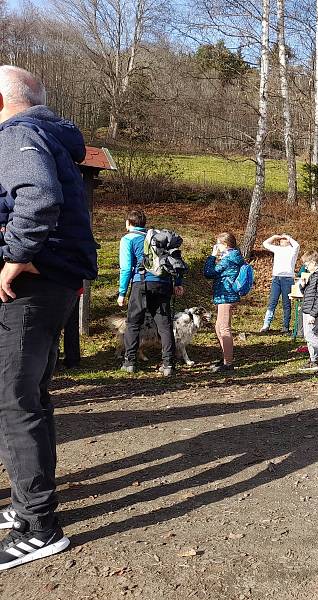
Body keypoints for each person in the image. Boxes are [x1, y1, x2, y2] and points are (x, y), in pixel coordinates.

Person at [0, 65, 97, 568]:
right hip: (53, 283)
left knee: (14, 402)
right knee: (28, 398)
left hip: (31, 285)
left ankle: (40, 526)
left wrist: (14, 254)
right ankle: (25, 508)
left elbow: (37, 198)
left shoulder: (18, 133)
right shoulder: (51, 134)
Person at [118, 209, 184, 376]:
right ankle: (169, 364)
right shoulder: (157, 238)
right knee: (164, 324)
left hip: (141, 283)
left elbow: (126, 268)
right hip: (163, 283)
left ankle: (130, 362)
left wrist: (122, 292)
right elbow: (174, 260)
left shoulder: (128, 239)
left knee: (133, 323)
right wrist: (178, 283)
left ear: (128, 223)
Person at [203, 232, 246, 373]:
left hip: (227, 295)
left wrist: (212, 256)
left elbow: (209, 272)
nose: (216, 246)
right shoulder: (233, 256)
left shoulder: (229, 259)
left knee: (224, 328)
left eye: (218, 244)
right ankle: (225, 357)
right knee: (218, 327)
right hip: (224, 294)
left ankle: (228, 363)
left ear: (225, 245)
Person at [260, 233, 300, 334]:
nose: (282, 240)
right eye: (281, 239)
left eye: (284, 239)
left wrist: (288, 237)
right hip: (276, 279)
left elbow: (297, 245)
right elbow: (265, 243)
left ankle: (285, 326)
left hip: (287, 279)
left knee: (286, 303)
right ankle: (266, 325)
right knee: (272, 302)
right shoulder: (277, 249)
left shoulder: (293, 250)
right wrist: (274, 237)